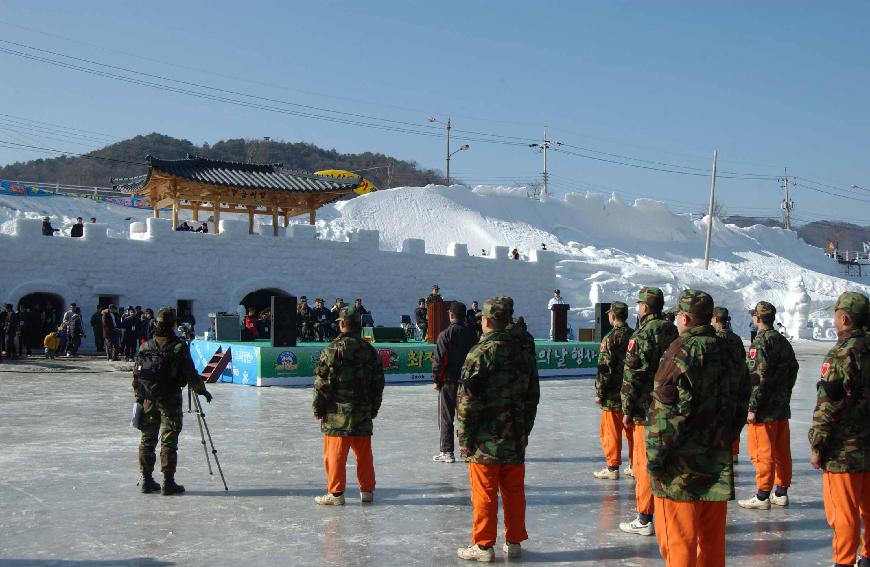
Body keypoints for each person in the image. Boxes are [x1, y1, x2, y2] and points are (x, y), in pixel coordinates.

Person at [646, 290, 734, 567]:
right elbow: (742, 399)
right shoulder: (729, 349)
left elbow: (667, 414)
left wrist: (654, 460)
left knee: (678, 543)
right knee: (711, 544)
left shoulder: (680, 351)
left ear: (684, 317)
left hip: (680, 469)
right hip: (716, 461)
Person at [456, 297, 540, 562]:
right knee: (514, 491)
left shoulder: (480, 353)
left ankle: (483, 546)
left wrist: (464, 437)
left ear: (487, 320)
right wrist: (524, 430)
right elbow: (532, 395)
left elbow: (467, 401)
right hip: (514, 435)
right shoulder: (522, 352)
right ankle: (514, 541)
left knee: (484, 492)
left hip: (485, 439)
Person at [808, 292, 870, 567]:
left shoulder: (842, 354)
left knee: (843, 511)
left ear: (844, 318)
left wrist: (818, 443)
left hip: (844, 449)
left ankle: (843, 561)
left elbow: (829, 404)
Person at [132, 307, 212, 495]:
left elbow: (136, 376)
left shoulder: (145, 346)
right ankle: (168, 481)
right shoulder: (178, 347)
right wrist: (202, 390)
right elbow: (191, 375)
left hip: (148, 399)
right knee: (169, 440)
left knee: (147, 440)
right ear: (173, 324)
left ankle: (147, 480)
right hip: (170, 400)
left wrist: (139, 398)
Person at [619, 286, 678, 536]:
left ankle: (644, 517)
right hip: (671, 407)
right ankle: (667, 515)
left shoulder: (642, 334)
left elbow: (633, 374)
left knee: (644, 464)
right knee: (667, 462)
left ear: (644, 307)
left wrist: (626, 409)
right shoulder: (672, 329)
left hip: (646, 409)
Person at [312, 305, 385, 505]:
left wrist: (318, 408)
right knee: (364, 455)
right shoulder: (369, 350)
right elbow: (378, 383)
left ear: (342, 324)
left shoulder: (333, 349)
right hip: (362, 412)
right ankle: (367, 491)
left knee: (335, 454)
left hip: (337, 414)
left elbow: (322, 384)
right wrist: (373, 408)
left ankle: (336, 494)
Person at [738, 301, 799, 510]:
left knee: (762, 452)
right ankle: (781, 491)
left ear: (757, 318)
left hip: (764, 409)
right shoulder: (782, 341)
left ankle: (763, 495)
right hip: (781, 407)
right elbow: (793, 368)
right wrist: (784, 393)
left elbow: (757, 377)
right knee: (782, 451)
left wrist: (752, 407)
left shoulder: (761, 342)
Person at [432, 301, 478, 464]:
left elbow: (440, 360)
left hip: (450, 382)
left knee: (446, 417)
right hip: (468, 383)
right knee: (466, 417)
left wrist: (437, 380)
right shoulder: (472, 334)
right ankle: (469, 450)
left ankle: (447, 451)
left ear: (451, 315)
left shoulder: (445, 334)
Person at [592, 301, 634, 480]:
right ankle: (634, 464)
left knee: (611, 432)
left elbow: (604, 368)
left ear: (613, 316)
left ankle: (612, 467)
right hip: (631, 392)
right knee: (631, 431)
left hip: (612, 394)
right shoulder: (634, 335)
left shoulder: (610, 337)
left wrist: (599, 392)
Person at [711, 307, 750, 463]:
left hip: (721, 387)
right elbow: (742, 359)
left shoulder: (714, 339)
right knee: (734, 420)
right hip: (736, 386)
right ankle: (734, 453)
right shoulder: (736, 338)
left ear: (714, 319)